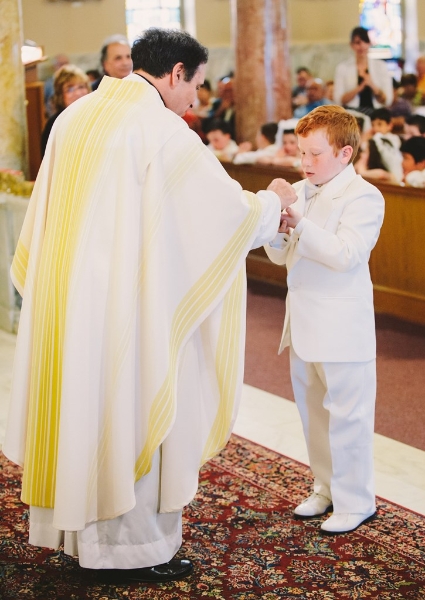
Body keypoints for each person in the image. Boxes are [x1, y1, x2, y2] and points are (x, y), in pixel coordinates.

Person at [3, 27, 296, 585]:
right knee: (131, 406)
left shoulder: (74, 117)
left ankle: (76, 538)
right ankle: (131, 550)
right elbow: (219, 214)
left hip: (70, 301)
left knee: (79, 406)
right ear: (176, 72)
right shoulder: (160, 130)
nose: (196, 100)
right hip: (126, 306)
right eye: (196, 86)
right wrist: (271, 203)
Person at [264, 105, 385, 535]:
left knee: (348, 417)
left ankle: (356, 501)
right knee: (313, 413)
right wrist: (278, 228)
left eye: (315, 154)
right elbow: (280, 256)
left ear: (345, 153)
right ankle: (326, 487)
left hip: (341, 326)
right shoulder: (299, 190)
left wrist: (298, 224)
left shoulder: (364, 196)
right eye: (301, 152)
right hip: (302, 322)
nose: (305, 162)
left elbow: (346, 254)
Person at [334, 27, 393, 115]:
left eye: (365, 41)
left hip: (376, 112)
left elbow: (387, 100)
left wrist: (372, 85)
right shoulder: (343, 68)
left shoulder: (381, 66)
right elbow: (339, 100)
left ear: (369, 43)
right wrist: (359, 88)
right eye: (358, 42)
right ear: (351, 45)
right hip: (352, 112)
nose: (362, 46)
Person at [40, 64, 91, 158]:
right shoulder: (54, 124)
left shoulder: (96, 117)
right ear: (60, 95)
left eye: (81, 87)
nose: (78, 93)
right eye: (70, 89)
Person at [366, 107, 403, 183]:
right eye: (373, 125)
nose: (375, 128)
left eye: (379, 124)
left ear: (390, 125)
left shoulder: (395, 140)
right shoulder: (373, 139)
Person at [44, 53, 69, 118]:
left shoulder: (74, 80)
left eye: (66, 63)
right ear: (54, 66)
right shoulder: (49, 84)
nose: (64, 66)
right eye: (61, 64)